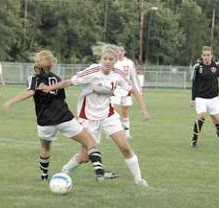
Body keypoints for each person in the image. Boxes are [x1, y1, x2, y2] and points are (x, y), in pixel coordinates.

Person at [38, 44, 150, 186]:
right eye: (105, 59)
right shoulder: (92, 71)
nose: (108, 61)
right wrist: (49, 88)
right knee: (85, 157)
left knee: (125, 147)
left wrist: (144, 110)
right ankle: (65, 170)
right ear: (101, 59)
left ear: (115, 61)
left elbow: (135, 91)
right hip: (88, 117)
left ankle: (138, 179)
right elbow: (69, 82)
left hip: (108, 115)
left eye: (111, 59)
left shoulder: (118, 74)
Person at [3, 50, 109, 182]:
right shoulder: (57, 79)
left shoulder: (34, 78)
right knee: (90, 143)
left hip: (45, 121)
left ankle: (44, 177)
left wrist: (11, 101)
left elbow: (30, 91)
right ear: (51, 64)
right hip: (65, 118)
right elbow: (61, 98)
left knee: (45, 148)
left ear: (38, 63)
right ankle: (99, 172)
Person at [190, 46, 219, 148]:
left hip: (213, 98)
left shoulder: (217, 66)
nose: (206, 57)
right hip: (201, 97)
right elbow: (194, 84)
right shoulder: (197, 67)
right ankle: (194, 141)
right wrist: (192, 99)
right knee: (201, 116)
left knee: (217, 119)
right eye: (204, 55)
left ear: (211, 56)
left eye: (208, 55)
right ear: (202, 56)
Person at [111, 46, 142, 138]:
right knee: (113, 112)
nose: (120, 53)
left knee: (125, 113)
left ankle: (127, 134)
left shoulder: (129, 63)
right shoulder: (113, 62)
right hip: (115, 90)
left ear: (124, 52)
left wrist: (138, 90)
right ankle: (113, 132)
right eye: (118, 51)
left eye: (121, 51)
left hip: (126, 91)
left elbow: (134, 77)